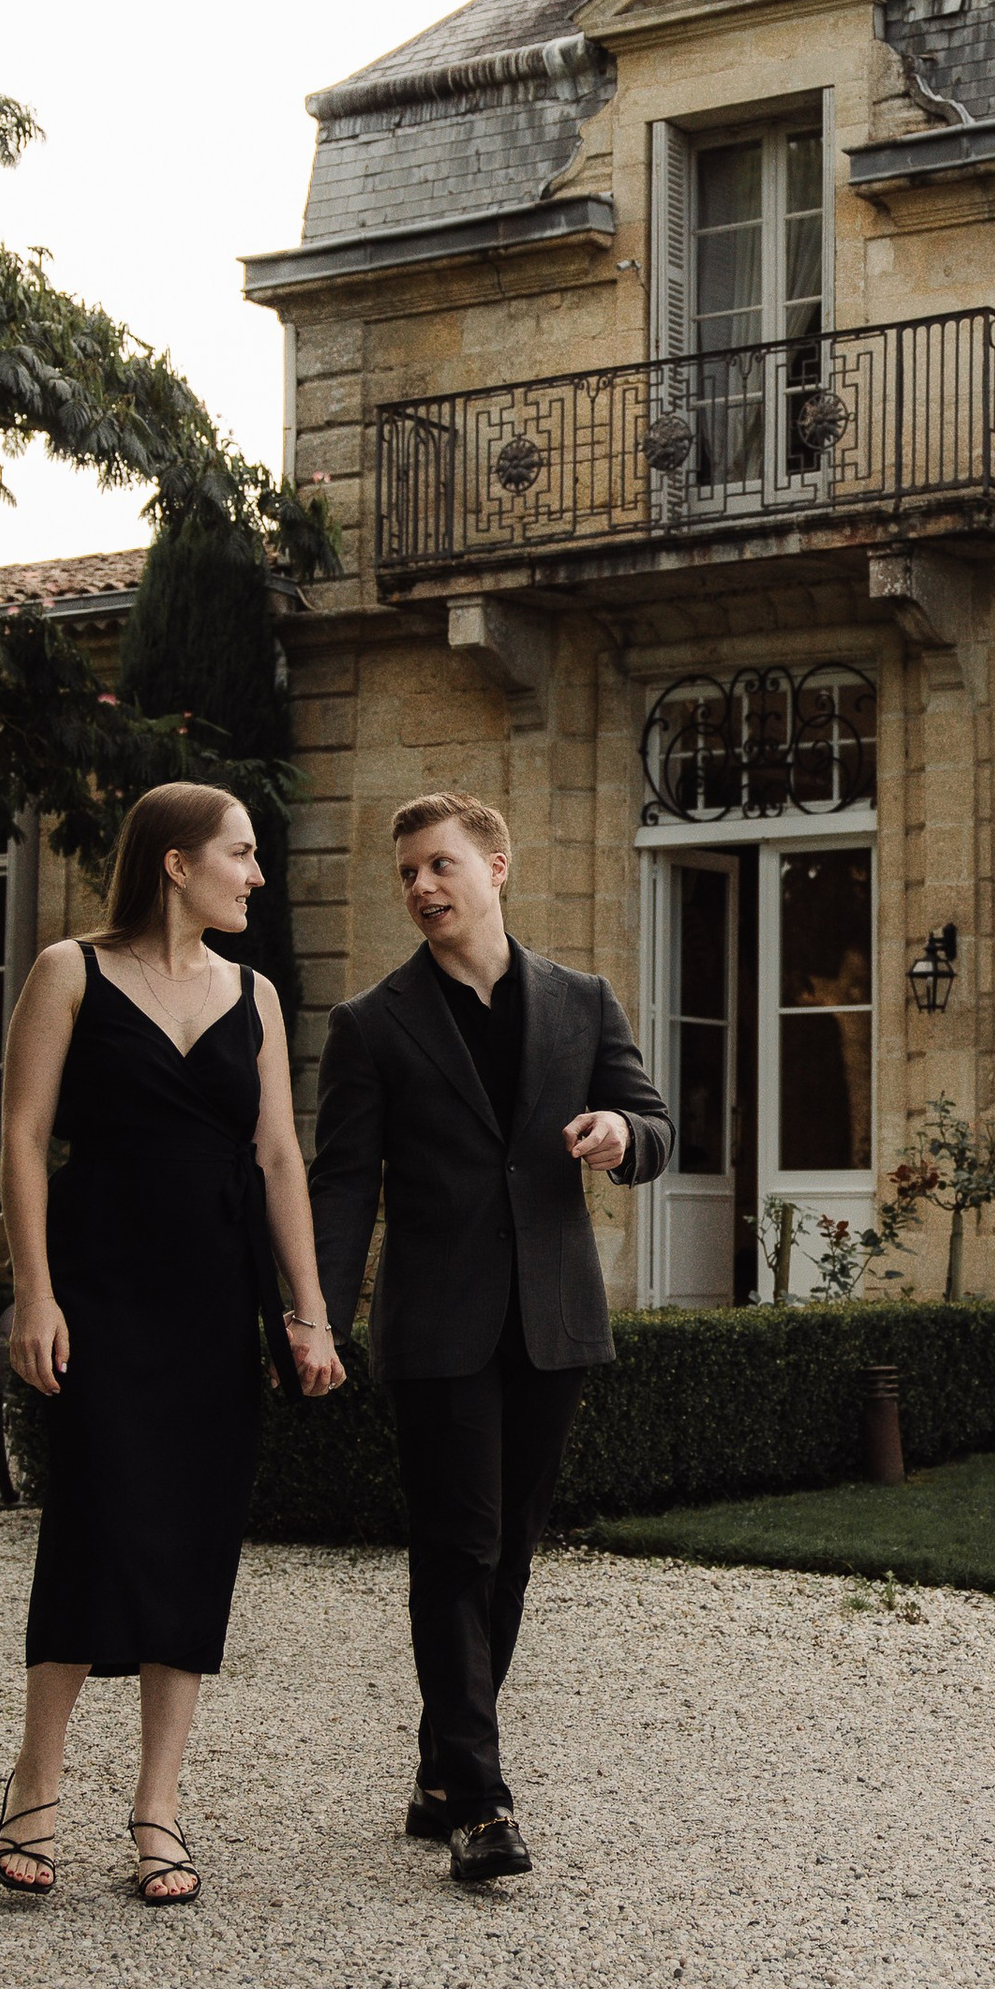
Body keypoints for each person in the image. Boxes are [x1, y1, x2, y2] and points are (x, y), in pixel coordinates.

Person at [308, 789, 672, 1886]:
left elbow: (656, 1124)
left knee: (508, 1552)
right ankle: (480, 1802)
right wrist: (316, 1315)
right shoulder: (371, 1024)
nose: (421, 887)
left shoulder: (581, 1001)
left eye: (440, 865)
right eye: (407, 873)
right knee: (458, 1548)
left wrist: (621, 1133)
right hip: (437, 1325)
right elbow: (344, 1186)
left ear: (496, 868)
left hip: (552, 1319)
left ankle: (438, 1775)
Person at [0, 784, 343, 1906]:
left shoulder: (256, 994)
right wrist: (35, 1295)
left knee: (195, 1540)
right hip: (99, 1290)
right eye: (241, 854)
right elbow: (24, 1137)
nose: (257, 876)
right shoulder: (69, 972)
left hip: (214, 1298)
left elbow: (279, 1157)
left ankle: (159, 1807)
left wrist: (307, 1311)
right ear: (176, 864)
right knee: (91, 1523)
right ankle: (36, 1780)